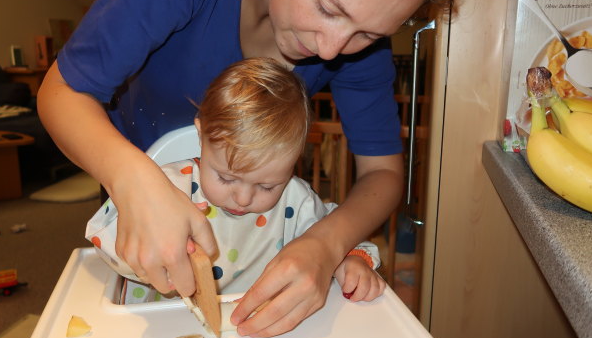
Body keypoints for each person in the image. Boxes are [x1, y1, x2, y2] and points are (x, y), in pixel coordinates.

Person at [37, 0, 462, 337]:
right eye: (328, 7)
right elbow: (61, 94)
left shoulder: (355, 26)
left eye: (369, 35)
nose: (333, 50)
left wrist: (326, 244)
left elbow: (384, 172)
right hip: (130, 188)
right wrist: (133, 181)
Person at [87, 58, 385, 306]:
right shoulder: (168, 189)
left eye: (267, 186)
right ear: (201, 136)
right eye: (226, 177)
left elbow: (339, 236)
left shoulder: (296, 201)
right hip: (169, 329)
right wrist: (148, 245)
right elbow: (104, 237)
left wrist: (352, 261)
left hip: (259, 333)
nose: (243, 198)